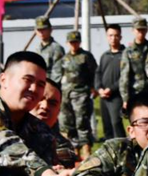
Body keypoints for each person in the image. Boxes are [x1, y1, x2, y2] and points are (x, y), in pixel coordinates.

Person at [59, 30, 98, 159]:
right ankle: (73, 150)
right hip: (66, 95)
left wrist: (93, 88)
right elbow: (59, 75)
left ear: (79, 42)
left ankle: (86, 150)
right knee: (68, 123)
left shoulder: (86, 56)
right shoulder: (64, 58)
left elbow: (94, 73)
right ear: (67, 43)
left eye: (75, 42)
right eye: (71, 42)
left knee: (82, 122)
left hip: (81, 94)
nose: (73, 45)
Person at [97, 23, 127, 140]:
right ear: (107, 37)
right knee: (107, 125)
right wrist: (99, 88)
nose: (113, 38)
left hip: (116, 96)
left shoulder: (125, 54)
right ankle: (109, 148)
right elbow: (98, 73)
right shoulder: (105, 55)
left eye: (116, 35)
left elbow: (125, 76)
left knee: (116, 123)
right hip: (104, 96)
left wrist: (112, 89)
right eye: (110, 35)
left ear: (120, 37)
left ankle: (123, 147)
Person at [119, 15, 148, 108]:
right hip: (135, 92)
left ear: (146, 30)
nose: (141, 33)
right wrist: (125, 98)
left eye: (143, 30)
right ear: (133, 30)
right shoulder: (128, 51)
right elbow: (124, 76)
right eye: (138, 30)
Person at [34, 15, 65, 82]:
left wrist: (49, 86)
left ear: (50, 30)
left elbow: (57, 74)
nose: (41, 32)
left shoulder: (56, 48)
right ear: (35, 31)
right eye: (39, 30)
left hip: (49, 85)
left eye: (44, 29)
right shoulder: (38, 48)